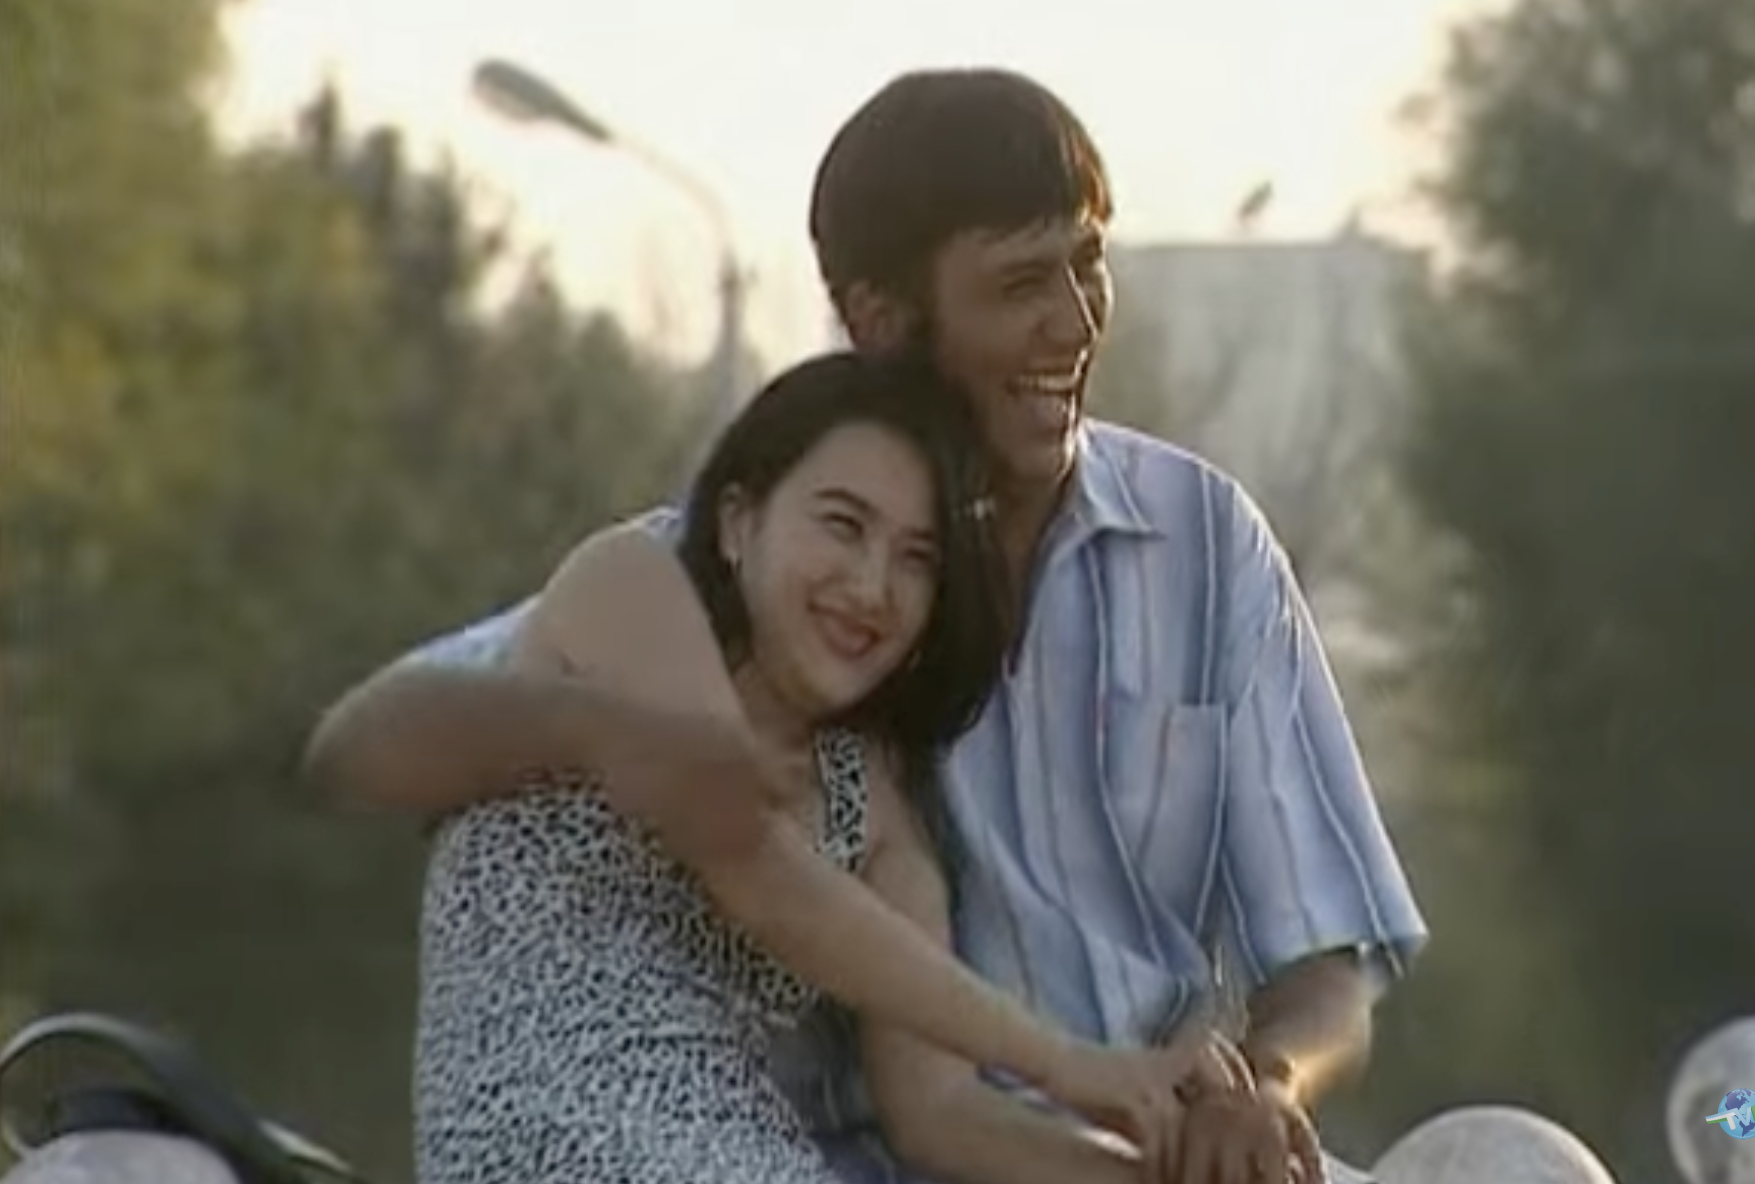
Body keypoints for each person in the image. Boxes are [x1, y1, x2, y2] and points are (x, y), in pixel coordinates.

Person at [306, 68, 1428, 1184]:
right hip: (794, 1160)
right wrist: (597, 731)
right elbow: (373, 736)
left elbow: (1328, 951)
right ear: (881, 321)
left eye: (1088, 264)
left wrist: (1260, 1090)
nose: (1075, 319)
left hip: (1130, 1138)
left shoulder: (1200, 546)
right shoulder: (689, 579)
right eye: (1020, 283)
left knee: (1504, 1156)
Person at [413, 349, 1221, 1184]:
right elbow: (760, 873)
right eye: (843, 525)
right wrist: (1061, 1062)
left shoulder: (872, 812)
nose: (872, 587)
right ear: (737, 523)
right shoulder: (623, 593)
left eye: (917, 559)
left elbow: (941, 1112)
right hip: (539, 1150)